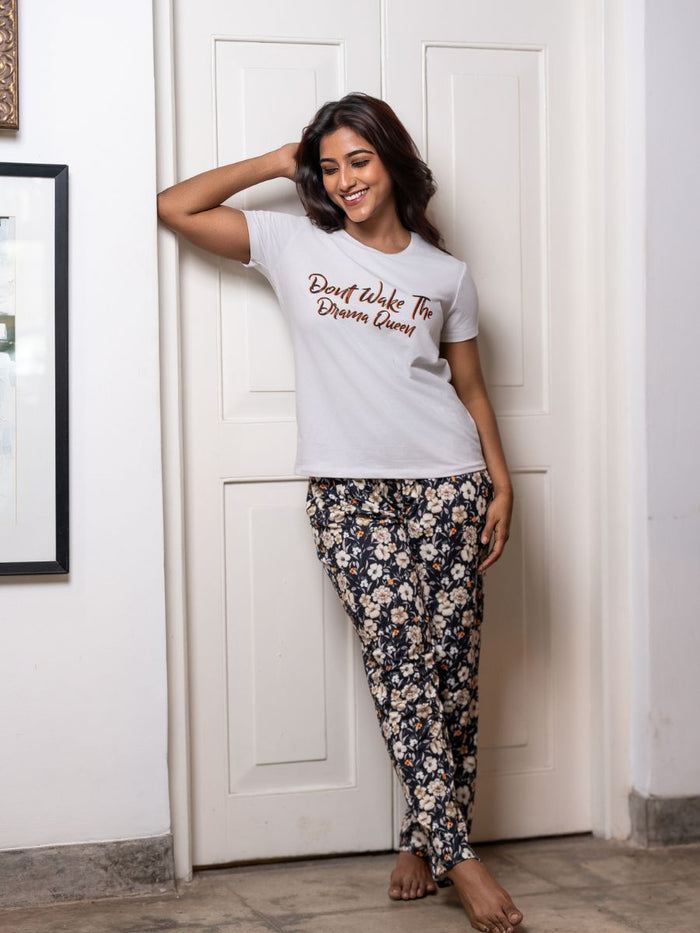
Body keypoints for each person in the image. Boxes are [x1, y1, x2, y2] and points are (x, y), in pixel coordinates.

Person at [157, 92, 523, 933]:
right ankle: (462, 856)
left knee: (449, 678)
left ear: (392, 160)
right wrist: (279, 160)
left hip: (450, 482)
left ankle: (423, 836)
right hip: (347, 492)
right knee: (399, 663)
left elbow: (468, 385)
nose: (345, 178)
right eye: (329, 167)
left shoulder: (445, 274)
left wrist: (502, 483)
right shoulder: (294, 244)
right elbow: (173, 208)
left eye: (359, 159)